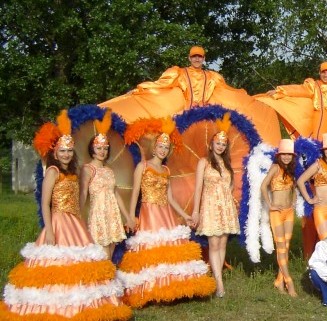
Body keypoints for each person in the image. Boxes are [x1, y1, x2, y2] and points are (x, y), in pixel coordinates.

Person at [1, 111, 132, 320]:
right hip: (59, 223)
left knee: (80, 263)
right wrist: (50, 231)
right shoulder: (52, 171)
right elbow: (45, 203)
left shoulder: (71, 172)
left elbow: (78, 197)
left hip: (74, 222)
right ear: (56, 151)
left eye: (69, 151)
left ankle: (82, 305)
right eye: (62, 151)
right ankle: (58, 307)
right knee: (58, 264)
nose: (66, 154)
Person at [117, 118, 215, 308]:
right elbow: (135, 193)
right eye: (160, 146)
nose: (163, 149)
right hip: (149, 212)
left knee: (170, 250)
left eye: (166, 147)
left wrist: (185, 215)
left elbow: (169, 197)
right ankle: (151, 289)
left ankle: (171, 288)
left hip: (165, 213)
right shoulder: (142, 167)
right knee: (153, 249)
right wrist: (130, 216)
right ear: (154, 148)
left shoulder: (166, 169)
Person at [101, 46, 281, 144]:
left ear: (203, 59)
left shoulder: (212, 76)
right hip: (184, 117)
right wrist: (141, 89)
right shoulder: (178, 73)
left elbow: (230, 92)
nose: (197, 59)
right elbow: (160, 84)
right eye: (194, 56)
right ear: (189, 58)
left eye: (200, 57)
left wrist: (251, 100)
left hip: (205, 120)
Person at [191, 112, 241, 298]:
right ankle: (219, 283)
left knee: (222, 243)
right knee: (213, 244)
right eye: (217, 143)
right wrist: (195, 211)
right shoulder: (203, 162)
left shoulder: (227, 164)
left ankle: (216, 277)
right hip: (211, 206)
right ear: (211, 145)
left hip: (225, 206)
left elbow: (230, 187)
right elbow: (198, 189)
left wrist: (231, 206)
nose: (220, 146)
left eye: (223, 144)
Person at [80, 110, 136, 258]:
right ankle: (103, 280)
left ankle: (109, 278)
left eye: (105, 149)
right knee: (101, 252)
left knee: (111, 250)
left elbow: (115, 193)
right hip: (98, 213)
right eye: (99, 148)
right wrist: (78, 214)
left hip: (113, 213)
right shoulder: (88, 169)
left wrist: (127, 217)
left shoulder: (109, 171)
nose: (102, 151)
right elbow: (84, 192)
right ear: (92, 149)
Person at [261, 139, 299, 296]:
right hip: (276, 213)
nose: (286, 157)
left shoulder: (291, 171)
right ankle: (289, 282)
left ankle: (279, 280)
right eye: (283, 154)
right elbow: (263, 186)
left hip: (288, 212)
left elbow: (294, 188)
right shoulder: (275, 168)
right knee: (281, 246)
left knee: (286, 246)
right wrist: (270, 205)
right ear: (279, 155)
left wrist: (294, 201)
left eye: (289, 154)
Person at [297, 132, 327, 244]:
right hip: (321, 209)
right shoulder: (318, 165)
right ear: (323, 150)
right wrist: (309, 199)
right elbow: (300, 181)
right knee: (326, 241)